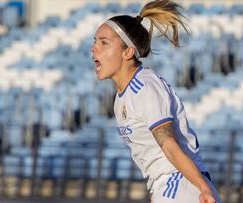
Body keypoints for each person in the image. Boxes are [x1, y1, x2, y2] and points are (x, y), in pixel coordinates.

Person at [90, 0, 221, 202]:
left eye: (104, 42)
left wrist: (203, 188)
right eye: (94, 41)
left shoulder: (144, 87)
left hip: (181, 182)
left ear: (128, 52)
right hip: (171, 185)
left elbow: (169, 145)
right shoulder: (122, 98)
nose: (94, 48)